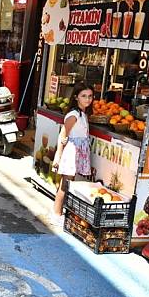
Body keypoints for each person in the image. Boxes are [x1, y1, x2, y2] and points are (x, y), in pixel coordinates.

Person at [51, 82, 93, 227]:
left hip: (78, 151)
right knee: (65, 184)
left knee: (68, 183)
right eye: (84, 96)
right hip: (71, 151)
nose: (87, 99)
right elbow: (63, 134)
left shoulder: (83, 114)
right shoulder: (74, 115)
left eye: (90, 96)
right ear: (76, 97)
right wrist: (58, 155)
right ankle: (56, 214)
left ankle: (60, 212)